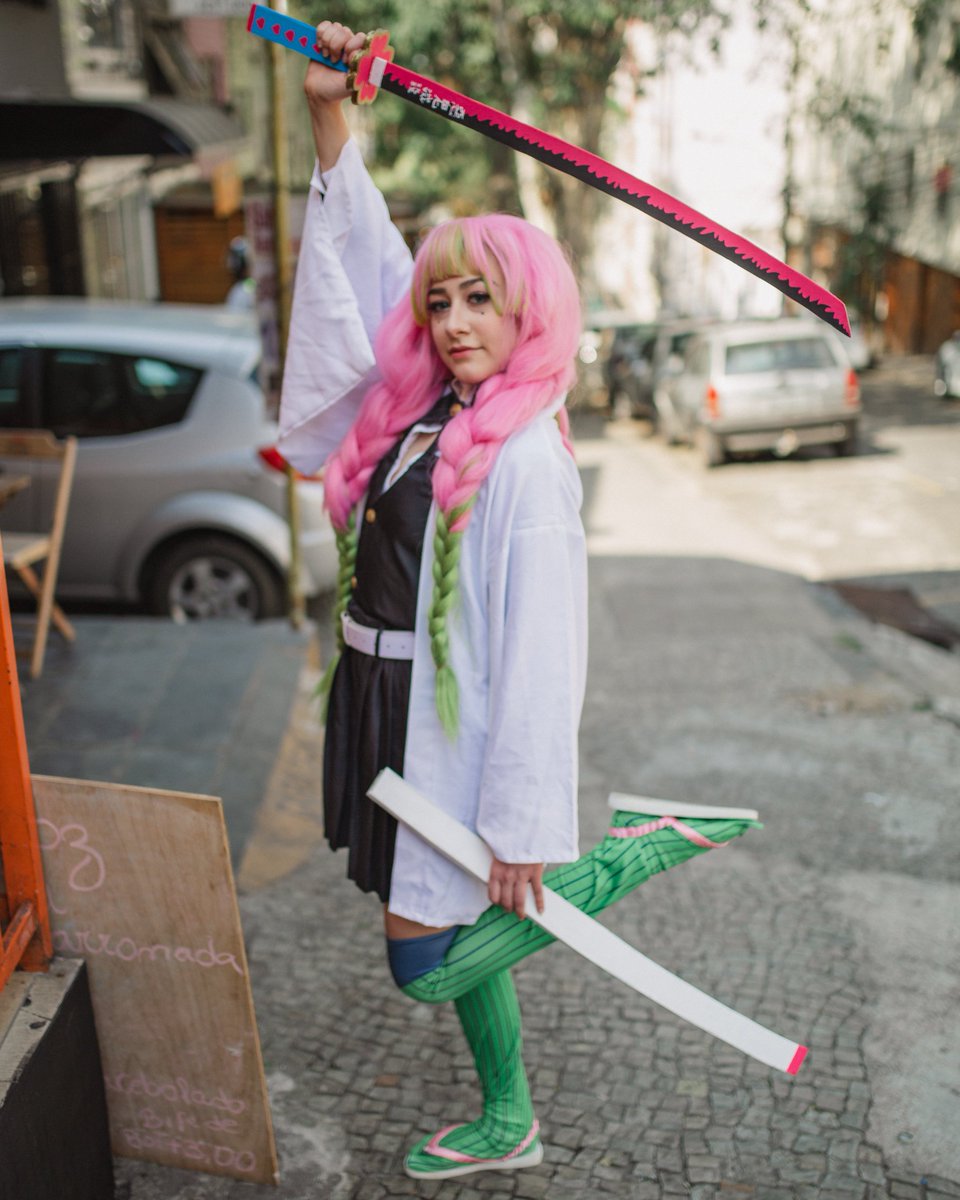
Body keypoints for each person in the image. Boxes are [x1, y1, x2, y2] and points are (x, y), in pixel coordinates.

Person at [278, 21, 759, 1181]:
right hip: (382, 704)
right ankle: (509, 1121)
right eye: (442, 302)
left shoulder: (526, 459)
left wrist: (526, 831)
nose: (452, 322)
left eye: (480, 301)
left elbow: (544, 655)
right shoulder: (424, 407)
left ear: (526, 312)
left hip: (445, 727)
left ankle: (636, 850)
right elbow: (366, 271)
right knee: (454, 930)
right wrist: (329, 114)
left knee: (425, 957)